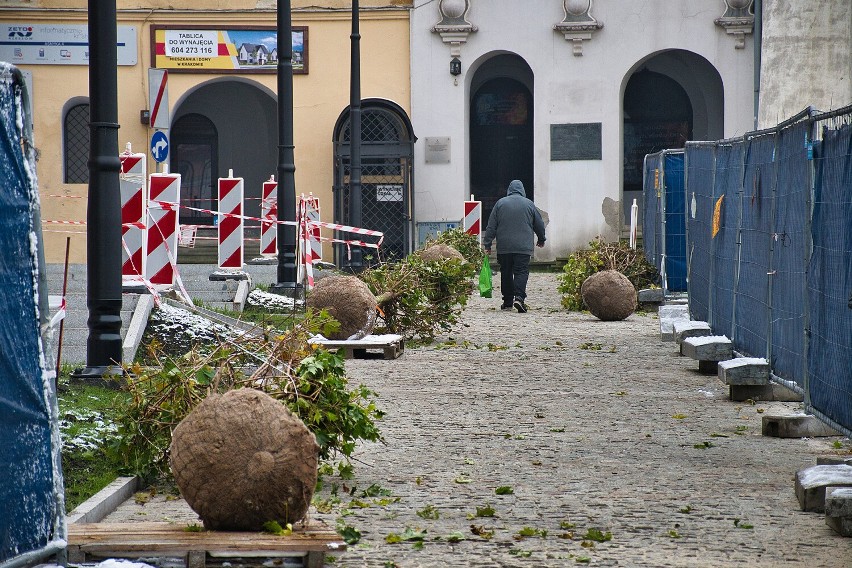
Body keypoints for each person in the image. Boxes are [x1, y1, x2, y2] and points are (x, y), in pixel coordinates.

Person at [482, 180, 546, 313]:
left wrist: (487, 243)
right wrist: (541, 239)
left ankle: (507, 302)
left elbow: (491, 226)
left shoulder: (500, 204)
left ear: (509, 190)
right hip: (523, 247)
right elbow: (539, 224)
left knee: (506, 271)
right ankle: (519, 298)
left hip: (504, 247)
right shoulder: (529, 204)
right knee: (521, 271)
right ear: (522, 190)